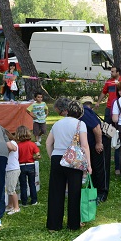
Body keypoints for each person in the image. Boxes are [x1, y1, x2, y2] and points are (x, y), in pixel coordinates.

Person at [47, 98, 91, 231]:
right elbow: (84, 145)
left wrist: (53, 157)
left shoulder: (57, 124)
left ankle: (54, 225)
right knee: (74, 192)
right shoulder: (80, 124)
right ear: (80, 112)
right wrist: (88, 164)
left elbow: (48, 143)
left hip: (57, 158)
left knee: (56, 192)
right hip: (74, 161)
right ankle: (73, 224)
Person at [78, 96, 107, 203]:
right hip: (89, 145)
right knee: (93, 168)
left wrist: (99, 143)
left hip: (94, 144)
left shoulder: (84, 113)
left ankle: (101, 193)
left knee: (98, 168)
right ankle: (93, 190)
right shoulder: (88, 112)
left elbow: (96, 128)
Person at [101, 66, 121, 177]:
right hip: (109, 109)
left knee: (118, 136)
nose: (111, 73)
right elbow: (104, 92)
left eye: (112, 71)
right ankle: (105, 159)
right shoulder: (109, 82)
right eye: (110, 71)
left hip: (119, 110)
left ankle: (118, 167)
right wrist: (98, 102)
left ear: (118, 72)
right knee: (106, 133)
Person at [15, 125, 39, 207]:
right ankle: (34, 200)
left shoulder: (17, 146)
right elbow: (38, 155)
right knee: (32, 183)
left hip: (21, 165)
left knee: (23, 184)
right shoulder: (32, 144)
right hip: (31, 165)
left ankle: (24, 202)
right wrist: (33, 157)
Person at [4, 130, 20, 215]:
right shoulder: (10, 142)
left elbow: (11, 149)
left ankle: (16, 207)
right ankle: (10, 205)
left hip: (12, 169)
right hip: (8, 168)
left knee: (11, 189)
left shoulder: (12, 142)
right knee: (9, 188)